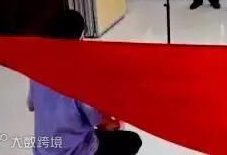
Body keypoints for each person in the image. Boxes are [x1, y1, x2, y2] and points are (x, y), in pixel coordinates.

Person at [28, 10, 142, 155]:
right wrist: (116, 121)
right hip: (75, 151)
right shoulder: (79, 77)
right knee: (132, 140)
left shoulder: (37, 70)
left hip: (43, 150)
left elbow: (31, 105)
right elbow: (97, 121)